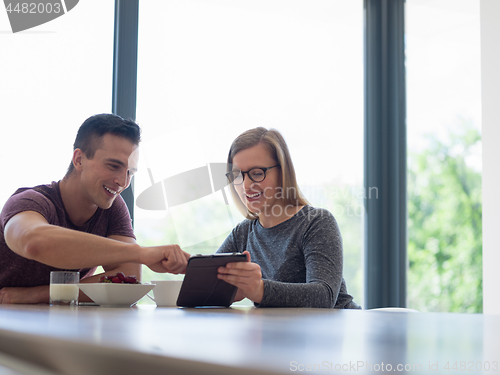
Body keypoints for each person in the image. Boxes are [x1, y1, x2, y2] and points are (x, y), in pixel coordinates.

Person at [0, 113, 190, 304]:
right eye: (113, 165)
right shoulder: (30, 202)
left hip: (45, 318)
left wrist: (36, 295)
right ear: (79, 159)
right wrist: (143, 254)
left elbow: (128, 276)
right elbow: (34, 242)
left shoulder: (112, 207)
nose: (122, 182)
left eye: (130, 173)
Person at [216, 127, 360, 309]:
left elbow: (324, 297)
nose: (245, 185)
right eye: (237, 175)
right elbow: (210, 282)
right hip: (282, 334)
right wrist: (187, 265)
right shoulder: (243, 233)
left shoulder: (316, 222)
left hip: (337, 331)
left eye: (257, 173)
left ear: (282, 172)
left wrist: (259, 289)